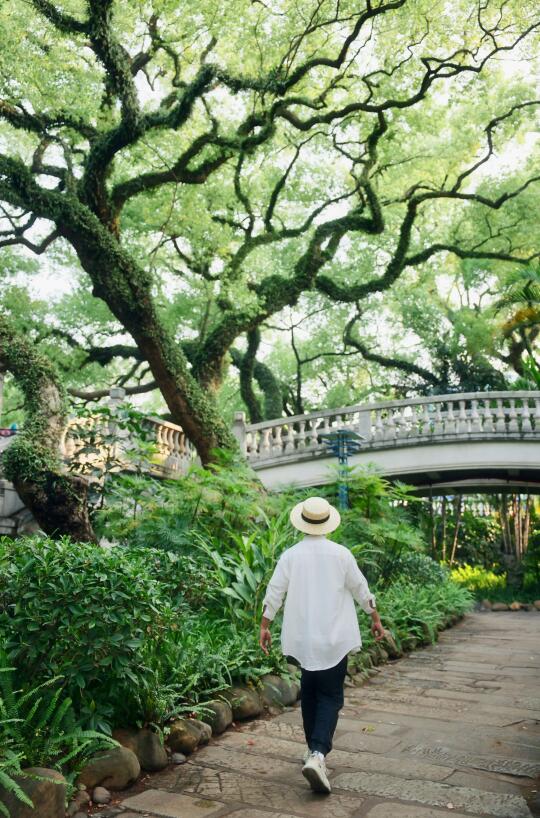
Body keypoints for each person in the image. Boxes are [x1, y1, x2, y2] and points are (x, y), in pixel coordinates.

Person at [259, 495, 385, 795]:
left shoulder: (291, 555)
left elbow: (275, 591)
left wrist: (265, 625)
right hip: (334, 640)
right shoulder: (341, 554)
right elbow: (361, 589)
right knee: (330, 696)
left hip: (303, 641)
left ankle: (313, 752)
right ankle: (317, 754)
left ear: (303, 523)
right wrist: (375, 619)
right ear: (327, 523)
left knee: (311, 694)